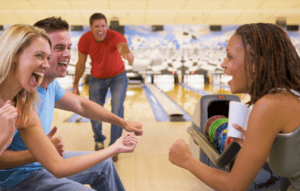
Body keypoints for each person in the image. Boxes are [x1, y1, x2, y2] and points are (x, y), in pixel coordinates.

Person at [0, 22, 139, 191]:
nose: (45, 64)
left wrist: (116, 141)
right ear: (14, 54)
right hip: (13, 179)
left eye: (46, 56)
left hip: (39, 167)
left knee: (104, 164)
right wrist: (4, 139)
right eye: (39, 55)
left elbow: (57, 165)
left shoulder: (25, 101)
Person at [169, 23, 300, 191]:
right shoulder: (290, 95)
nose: (223, 64)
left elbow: (234, 186)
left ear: (255, 63)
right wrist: (257, 149)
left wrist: (187, 160)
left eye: (229, 56)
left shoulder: (270, 105)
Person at [72, 13, 135, 157]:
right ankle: (99, 140)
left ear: (106, 26)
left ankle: (115, 148)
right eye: (97, 26)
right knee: (94, 111)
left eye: (103, 26)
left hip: (118, 77)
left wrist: (127, 54)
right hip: (96, 78)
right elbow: (81, 64)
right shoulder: (85, 40)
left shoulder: (115, 36)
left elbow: (122, 47)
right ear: (91, 27)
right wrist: (75, 84)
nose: (101, 29)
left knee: (117, 107)